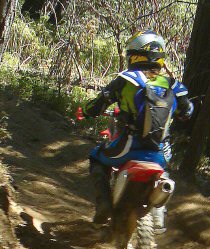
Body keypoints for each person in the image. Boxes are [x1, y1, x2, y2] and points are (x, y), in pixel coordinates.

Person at [81, 30, 194, 225]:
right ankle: (158, 217)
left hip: (127, 147)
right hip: (160, 152)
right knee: (163, 172)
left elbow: (99, 103)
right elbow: (187, 112)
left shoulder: (127, 80)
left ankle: (104, 205)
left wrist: (87, 111)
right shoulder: (174, 86)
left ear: (136, 55)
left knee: (96, 157)